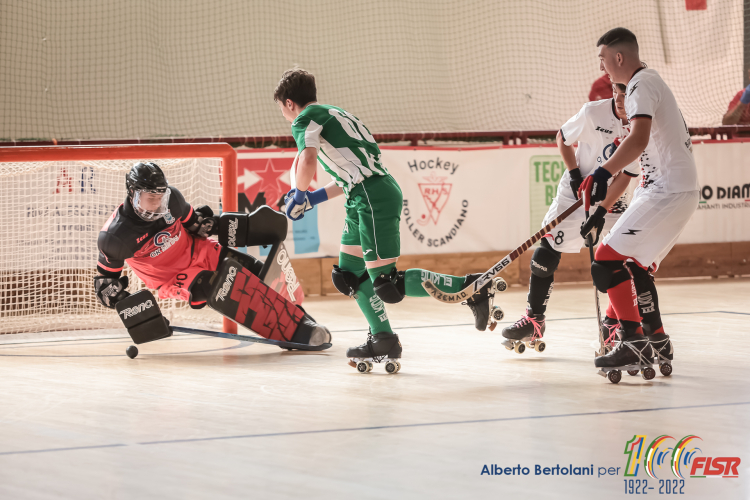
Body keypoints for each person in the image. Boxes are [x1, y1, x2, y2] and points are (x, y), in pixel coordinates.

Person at [274, 68, 502, 372]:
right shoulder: (336, 114)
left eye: (282, 111)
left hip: (371, 196)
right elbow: (349, 176)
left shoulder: (305, 119)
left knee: (386, 283)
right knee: (349, 274)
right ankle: (382, 339)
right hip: (364, 194)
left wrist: (299, 194)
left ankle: (472, 287)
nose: (286, 118)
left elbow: (308, 159)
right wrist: (312, 199)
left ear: (289, 103)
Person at [94, 161, 331, 347]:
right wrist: (137, 310)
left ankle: (304, 322)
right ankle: (291, 332)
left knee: (260, 273)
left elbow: (195, 224)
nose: (157, 204)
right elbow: (105, 285)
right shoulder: (114, 237)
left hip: (204, 251)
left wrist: (219, 225)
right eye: (150, 198)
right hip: (173, 277)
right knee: (223, 287)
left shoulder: (172, 200)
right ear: (133, 193)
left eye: (160, 197)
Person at [580, 27, 700, 377]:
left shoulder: (640, 84)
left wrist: (600, 173)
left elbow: (638, 139)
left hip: (668, 190)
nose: (602, 67)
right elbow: (634, 159)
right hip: (665, 191)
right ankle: (652, 337)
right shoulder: (645, 83)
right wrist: (601, 211)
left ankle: (632, 342)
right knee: (630, 265)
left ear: (619, 57)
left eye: (603, 59)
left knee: (605, 261)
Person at [501, 83, 640, 351]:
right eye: (616, 92)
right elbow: (562, 139)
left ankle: (613, 322)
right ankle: (534, 319)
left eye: (627, 94)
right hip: (574, 192)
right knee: (544, 256)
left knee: (622, 258)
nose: (620, 100)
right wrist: (576, 176)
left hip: (613, 197)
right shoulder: (592, 113)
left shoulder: (639, 125)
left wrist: (601, 209)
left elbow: (626, 176)